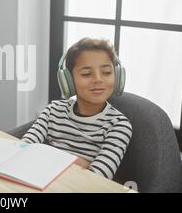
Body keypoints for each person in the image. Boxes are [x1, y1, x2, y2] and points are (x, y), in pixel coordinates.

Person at [22, 38, 132, 179]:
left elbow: (97, 178)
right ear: (68, 81)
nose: (98, 79)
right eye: (86, 74)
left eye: (106, 72)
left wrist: (46, 153)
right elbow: (23, 149)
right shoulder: (53, 110)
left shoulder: (119, 125)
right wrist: (82, 163)